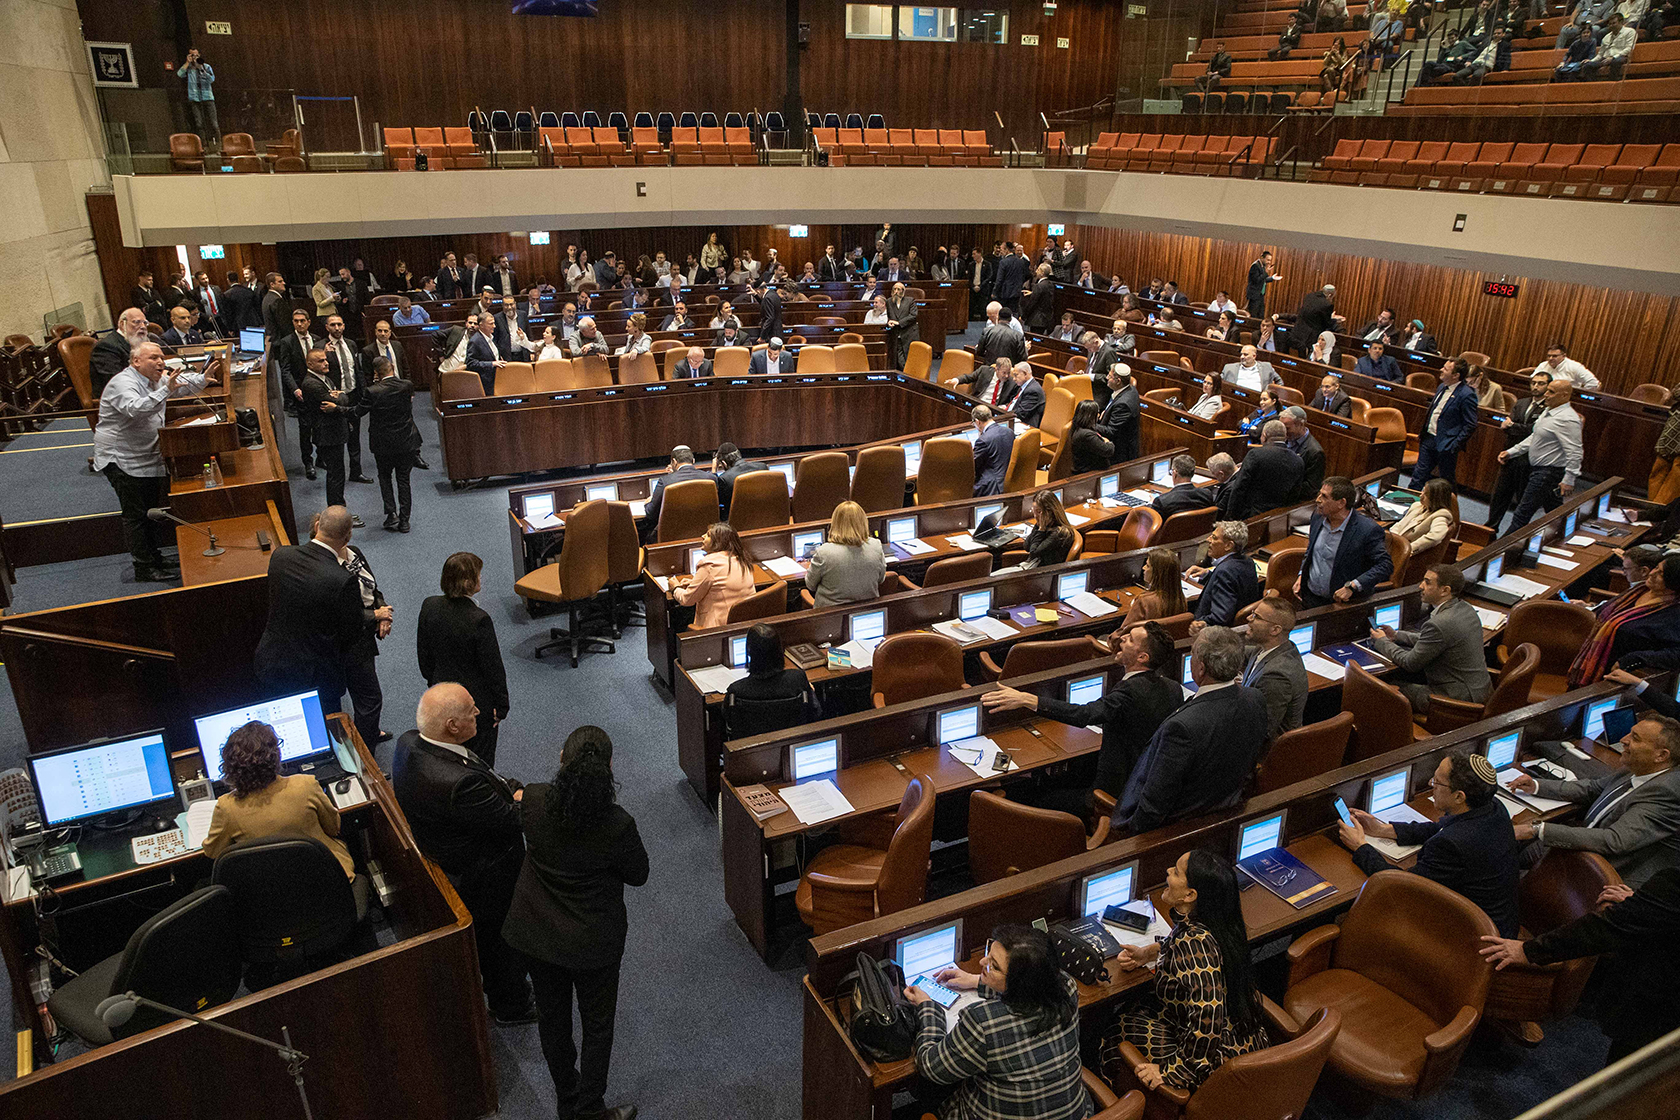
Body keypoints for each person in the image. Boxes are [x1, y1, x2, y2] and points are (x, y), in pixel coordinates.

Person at [501, 728, 647, 1120]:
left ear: (561, 757)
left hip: (536, 934)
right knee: (597, 1027)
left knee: (554, 1023)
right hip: (593, 943)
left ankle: (568, 1102)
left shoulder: (533, 801)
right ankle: (590, 1109)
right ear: (609, 767)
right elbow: (638, 874)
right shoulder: (617, 823)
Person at [391, 684, 534, 1025]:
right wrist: (523, 796)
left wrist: (508, 789)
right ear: (452, 726)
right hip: (485, 877)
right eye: (472, 710)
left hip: (450, 849)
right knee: (501, 946)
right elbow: (510, 821)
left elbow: (487, 775)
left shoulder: (410, 741)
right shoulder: (458, 785)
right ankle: (511, 1008)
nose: (479, 713)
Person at [1102, 850, 1268, 1094]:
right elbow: (1184, 941)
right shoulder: (1220, 919)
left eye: (1176, 872)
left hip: (1216, 1065)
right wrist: (1149, 954)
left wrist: (1174, 1072)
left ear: (1190, 895)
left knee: (1118, 1028)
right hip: (1245, 1041)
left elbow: (1208, 1018)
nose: (1168, 872)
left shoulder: (1194, 944)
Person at [1482, 868, 1680, 1067]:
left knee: (1632, 1081)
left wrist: (1528, 951)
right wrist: (1647, 904)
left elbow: (1605, 929)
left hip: (1661, 1013)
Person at [904, 925, 1088, 1120]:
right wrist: (978, 981)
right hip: (1070, 1112)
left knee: (927, 1089)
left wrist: (928, 1007)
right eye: (988, 954)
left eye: (994, 966)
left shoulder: (983, 1023)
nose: (983, 962)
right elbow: (1027, 991)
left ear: (1019, 982)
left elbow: (931, 1066)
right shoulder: (1066, 986)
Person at [1340, 753, 1520, 935]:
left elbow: (1402, 887)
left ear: (1459, 797)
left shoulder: (1451, 845)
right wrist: (1384, 830)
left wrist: (1360, 846)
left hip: (1470, 937)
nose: (1429, 784)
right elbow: (1442, 826)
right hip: (1502, 921)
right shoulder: (1493, 807)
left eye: (1437, 782)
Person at [1112, 626, 1269, 834]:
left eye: (1193, 653)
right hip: (1226, 808)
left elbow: (1155, 802)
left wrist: (1131, 836)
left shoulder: (1181, 727)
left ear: (1201, 668)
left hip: (1177, 826)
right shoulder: (1254, 698)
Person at [1509, 713, 1680, 886]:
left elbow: (1614, 840)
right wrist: (1537, 786)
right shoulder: (1637, 766)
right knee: (1512, 851)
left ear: (1661, 756)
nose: (1623, 739)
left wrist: (1538, 829)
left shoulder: (1666, 791)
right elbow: (1592, 788)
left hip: (1601, 871)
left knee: (1509, 880)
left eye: (1635, 738)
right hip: (1580, 842)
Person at [92, 341, 213, 582]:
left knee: (149, 511)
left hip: (146, 455)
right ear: (136, 361)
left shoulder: (155, 379)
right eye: (153, 358)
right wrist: (165, 389)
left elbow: (177, 387)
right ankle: (144, 567)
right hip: (121, 458)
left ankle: (154, 556)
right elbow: (136, 409)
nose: (160, 362)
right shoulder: (122, 383)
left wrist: (202, 378)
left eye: (161, 357)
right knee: (136, 515)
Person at [202, 721, 357, 881]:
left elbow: (213, 852)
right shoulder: (305, 785)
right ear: (276, 756)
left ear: (229, 767)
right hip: (330, 881)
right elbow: (333, 827)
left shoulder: (226, 807)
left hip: (272, 895)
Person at [253, 506, 364, 713]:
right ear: (348, 537)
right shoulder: (342, 580)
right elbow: (351, 633)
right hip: (316, 678)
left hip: (273, 664)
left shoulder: (280, 556)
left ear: (316, 526)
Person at [417, 552, 510, 766]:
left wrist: (435, 683)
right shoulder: (479, 619)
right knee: (481, 763)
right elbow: (493, 668)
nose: (481, 579)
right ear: (468, 582)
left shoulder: (429, 606)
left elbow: (424, 655)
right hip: (476, 703)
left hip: (441, 695)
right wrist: (501, 707)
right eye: (478, 575)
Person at [1367, 565, 1491, 714]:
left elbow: (1409, 662)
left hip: (1455, 700)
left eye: (1427, 582)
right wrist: (1396, 635)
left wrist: (1382, 641)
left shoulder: (1439, 624)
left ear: (1445, 590)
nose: (1421, 586)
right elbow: (1434, 639)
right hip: (1481, 690)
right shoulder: (1466, 609)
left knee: (1382, 687)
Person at [1568, 554, 1680, 686]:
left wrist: (1636, 658)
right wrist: (1590, 606)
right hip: (1587, 658)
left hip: (1613, 676)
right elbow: (1610, 612)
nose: (1652, 573)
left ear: (1673, 582)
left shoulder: (1673, 614)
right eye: (1656, 567)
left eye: (1660, 574)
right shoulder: (1639, 590)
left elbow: (1676, 654)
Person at [1294, 477, 1393, 607]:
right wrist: (1302, 574)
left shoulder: (1367, 530)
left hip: (1343, 604)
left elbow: (1385, 565)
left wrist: (1353, 586)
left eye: (1324, 496)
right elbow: (1311, 551)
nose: (1318, 500)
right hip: (1310, 598)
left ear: (1341, 503)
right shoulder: (1317, 517)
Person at [1500, 377, 1583, 530]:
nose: (1546, 394)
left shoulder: (1568, 419)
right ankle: (1565, 540)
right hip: (1539, 470)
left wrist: (1569, 478)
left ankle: (1502, 552)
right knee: (1555, 512)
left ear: (1565, 396)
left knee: (1521, 514)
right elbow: (1535, 436)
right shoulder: (1548, 411)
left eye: (1551, 392)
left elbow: (1575, 451)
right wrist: (1512, 452)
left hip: (1548, 473)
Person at [1486, 370, 1553, 534]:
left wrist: (1513, 427)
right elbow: (1510, 429)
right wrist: (1514, 428)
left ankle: (1516, 535)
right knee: (1500, 495)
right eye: (1533, 383)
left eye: (1541, 383)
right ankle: (1490, 529)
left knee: (1523, 500)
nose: (1536, 386)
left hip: (1529, 460)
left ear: (1548, 386)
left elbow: (1534, 432)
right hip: (1510, 455)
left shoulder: (1549, 409)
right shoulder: (1522, 402)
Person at [1242, 596, 1309, 738]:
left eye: (1256, 617)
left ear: (1275, 630)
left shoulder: (1275, 676)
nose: (1249, 618)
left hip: (1270, 753)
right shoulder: (1274, 648)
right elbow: (1235, 651)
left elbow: (1261, 731)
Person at [673, 522, 756, 628]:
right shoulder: (742, 559)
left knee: (678, 617)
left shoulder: (709, 564)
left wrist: (675, 587)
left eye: (707, 535)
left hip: (716, 628)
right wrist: (694, 583)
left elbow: (687, 600)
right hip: (743, 623)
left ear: (717, 543)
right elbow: (722, 584)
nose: (702, 536)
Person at [805, 501, 887, 607]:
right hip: (865, 613)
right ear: (863, 521)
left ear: (835, 523)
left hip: (829, 617)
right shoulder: (876, 545)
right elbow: (881, 579)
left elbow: (810, 585)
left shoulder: (824, 552)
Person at [726, 623, 813, 723]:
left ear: (749, 652)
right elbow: (815, 712)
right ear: (780, 649)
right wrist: (812, 692)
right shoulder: (798, 679)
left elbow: (728, 719)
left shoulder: (736, 690)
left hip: (752, 738)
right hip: (792, 737)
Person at [1220, 421, 1303, 519]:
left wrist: (1230, 516)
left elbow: (1239, 487)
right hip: (1278, 517)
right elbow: (1295, 494)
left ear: (1264, 436)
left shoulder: (1255, 455)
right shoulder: (1298, 460)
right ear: (1285, 437)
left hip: (1252, 515)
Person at [322, 314, 369, 485]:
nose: (337, 328)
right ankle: (336, 473)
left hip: (353, 395)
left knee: (355, 436)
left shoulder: (351, 344)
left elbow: (358, 370)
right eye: (333, 325)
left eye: (339, 324)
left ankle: (356, 471)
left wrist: (363, 392)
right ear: (327, 327)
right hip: (335, 399)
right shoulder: (321, 347)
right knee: (339, 436)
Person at [1186, 521, 1261, 629]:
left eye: (1214, 538)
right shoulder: (1247, 561)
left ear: (1228, 546)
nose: (1208, 540)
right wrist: (1208, 574)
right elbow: (1234, 584)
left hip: (1214, 634)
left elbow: (1221, 617)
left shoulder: (1224, 571)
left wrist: (1201, 623)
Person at [641, 445, 717, 537]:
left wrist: (647, 503)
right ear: (693, 461)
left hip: (672, 536)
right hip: (706, 533)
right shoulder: (711, 478)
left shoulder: (665, 482)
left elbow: (651, 514)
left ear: (674, 461)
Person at [1122, 549, 1190, 630]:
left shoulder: (1143, 601)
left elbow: (1123, 633)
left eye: (1147, 566)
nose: (1143, 568)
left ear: (1158, 573)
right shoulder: (1181, 599)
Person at [1392, 477, 1459, 553]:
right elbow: (1400, 525)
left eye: (1426, 494)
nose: (1421, 495)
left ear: (1435, 499)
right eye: (1423, 490)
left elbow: (1435, 537)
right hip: (1395, 544)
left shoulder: (1441, 516)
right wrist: (1392, 539)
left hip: (1406, 553)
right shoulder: (1417, 506)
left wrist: (1407, 549)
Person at [1013, 491, 1076, 569]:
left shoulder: (1059, 533)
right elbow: (1026, 546)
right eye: (1034, 511)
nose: (1035, 516)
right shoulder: (1046, 526)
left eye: (1039, 512)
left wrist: (1040, 530)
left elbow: (1033, 553)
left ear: (1050, 512)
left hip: (1042, 573)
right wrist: (1037, 526)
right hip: (1031, 567)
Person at [176, 47, 218, 149]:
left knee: (214, 123)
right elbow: (179, 74)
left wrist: (201, 69)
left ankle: (217, 146)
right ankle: (204, 146)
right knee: (199, 123)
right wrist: (187, 62)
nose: (195, 58)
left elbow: (211, 79)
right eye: (192, 55)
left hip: (207, 97)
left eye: (196, 55)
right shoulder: (188, 68)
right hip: (195, 98)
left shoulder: (206, 67)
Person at [1280, 407, 1325, 503]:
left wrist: (1283, 484)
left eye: (1287, 428)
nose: (1284, 432)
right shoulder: (1284, 438)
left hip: (1293, 502)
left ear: (1300, 424)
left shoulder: (1315, 452)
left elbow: (1311, 488)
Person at [1097, 364, 1140, 461]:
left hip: (1119, 455)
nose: (1107, 378)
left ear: (1118, 381)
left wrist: (1089, 423)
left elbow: (1110, 431)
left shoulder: (1123, 404)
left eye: (1110, 376)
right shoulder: (1130, 389)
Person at [712, 442, 768, 517]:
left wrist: (714, 472)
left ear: (724, 463)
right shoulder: (763, 467)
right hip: (765, 515)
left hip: (739, 521)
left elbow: (716, 501)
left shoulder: (724, 479)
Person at [1152, 455, 1216, 519]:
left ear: (1174, 474)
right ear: (1193, 473)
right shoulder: (1207, 494)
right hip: (1200, 529)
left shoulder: (1162, 501)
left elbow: (1154, 524)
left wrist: (1151, 505)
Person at [971, 404, 1015, 497]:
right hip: (1009, 480)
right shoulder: (1009, 432)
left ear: (977, 422)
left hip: (991, 487)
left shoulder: (983, 440)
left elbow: (973, 466)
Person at [1287, 284, 1342, 357]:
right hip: (1310, 337)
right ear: (1329, 295)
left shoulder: (1309, 296)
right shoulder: (1327, 304)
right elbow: (1326, 323)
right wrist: (1335, 319)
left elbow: (1312, 314)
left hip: (1297, 332)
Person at [1066, 400, 1115, 474]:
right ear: (1091, 415)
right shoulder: (1087, 435)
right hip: (1089, 473)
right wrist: (1107, 442)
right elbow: (1108, 450)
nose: (1098, 415)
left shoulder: (1078, 426)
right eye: (1097, 413)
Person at [1536, 342, 1601, 390]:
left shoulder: (1575, 366)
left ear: (1563, 356)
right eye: (1549, 356)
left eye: (1554, 356)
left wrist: (1576, 395)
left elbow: (1594, 383)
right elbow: (1532, 379)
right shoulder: (1543, 365)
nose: (1550, 358)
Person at [885, 281, 919, 369]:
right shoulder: (889, 301)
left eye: (898, 289)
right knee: (899, 359)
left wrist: (899, 323)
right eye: (894, 289)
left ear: (903, 291)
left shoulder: (910, 301)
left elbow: (913, 315)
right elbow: (888, 316)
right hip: (896, 334)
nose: (896, 292)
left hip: (909, 333)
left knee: (909, 357)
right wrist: (889, 322)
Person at [1245, 251, 1281, 322]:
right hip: (1254, 295)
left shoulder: (1262, 266)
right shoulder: (1255, 266)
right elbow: (1256, 280)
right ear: (1262, 258)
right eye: (1268, 260)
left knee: (1261, 315)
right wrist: (1266, 272)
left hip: (1260, 295)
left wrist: (1272, 278)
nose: (1269, 262)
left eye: (1270, 260)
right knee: (1254, 316)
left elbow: (1262, 280)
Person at [1008, 363, 1046, 428]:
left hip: (1025, 425)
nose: (1014, 379)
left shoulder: (1033, 391)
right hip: (1014, 419)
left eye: (1016, 375)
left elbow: (1021, 413)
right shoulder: (1024, 386)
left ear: (1025, 374)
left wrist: (1004, 414)